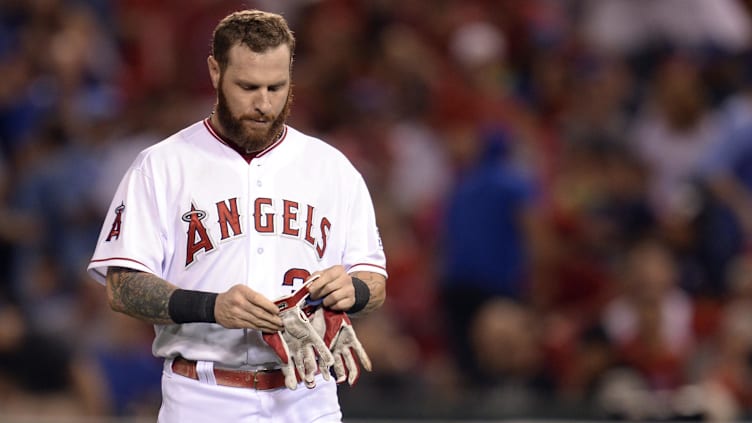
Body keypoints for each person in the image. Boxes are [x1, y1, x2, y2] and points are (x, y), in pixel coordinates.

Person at [86, 9, 387, 423]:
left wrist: (353, 289)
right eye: (247, 86)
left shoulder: (331, 167)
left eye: (276, 87)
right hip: (204, 397)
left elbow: (374, 279)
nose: (263, 104)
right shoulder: (162, 165)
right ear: (215, 71)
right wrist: (212, 307)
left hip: (308, 397)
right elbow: (122, 288)